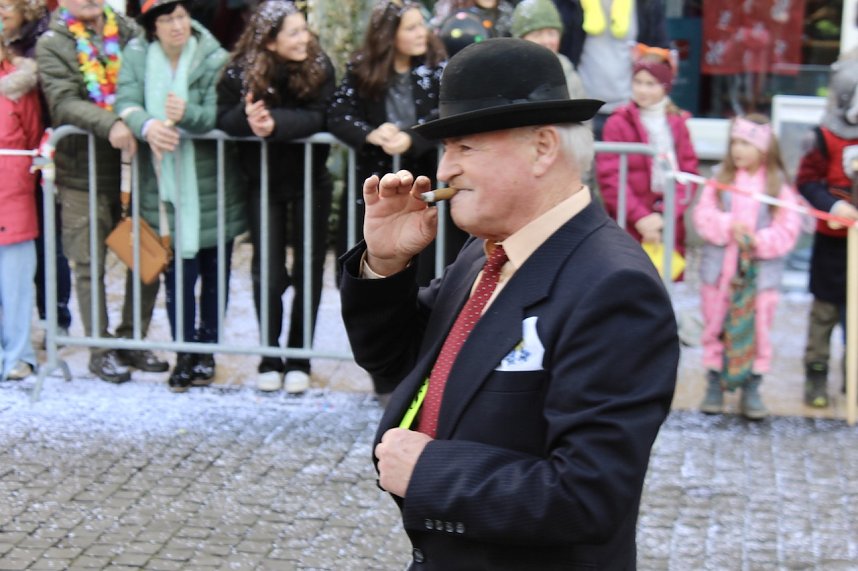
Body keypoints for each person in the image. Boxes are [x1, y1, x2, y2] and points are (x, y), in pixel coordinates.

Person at [339, 38, 678, 569]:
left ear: (543, 147)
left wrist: (430, 472)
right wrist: (385, 265)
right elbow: (398, 359)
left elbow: (588, 496)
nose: (444, 169)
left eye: (465, 148)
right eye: (445, 149)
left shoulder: (614, 287)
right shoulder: (487, 251)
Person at [36, 0, 169, 383]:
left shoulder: (129, 30)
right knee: (88, 260)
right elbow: (63, 102)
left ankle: (133, 339)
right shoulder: (52, 42)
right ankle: (100, 348)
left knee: (146, 255)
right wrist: (111, 124)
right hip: (83, 170)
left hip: (138, 168)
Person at [116, 0, 245, 392]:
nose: (177, 25)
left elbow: (215, 115)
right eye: (168, 19)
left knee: (214, 273)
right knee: (177, 276)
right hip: (163, 188)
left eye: (182, 16)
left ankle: (206, 350)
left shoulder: (213, 56)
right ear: (152, 27)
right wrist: (148, 124)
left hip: (212, 185)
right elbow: (126, 102)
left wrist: (187, 113)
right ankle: (184, 353)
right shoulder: (137, 55)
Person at [217, 0, 334, 394]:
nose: (305, 39)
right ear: (269, 41)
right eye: (295, 32)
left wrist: (275, 123)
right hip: (262, 182)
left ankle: (300, 357)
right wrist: (248, 121)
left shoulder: (319, 67)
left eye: (305, 29)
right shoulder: (240, 70)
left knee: (308, 271)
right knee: (266, 271)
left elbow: (323, 116)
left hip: (309, 180)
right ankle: (270, 356)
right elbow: (223, 115)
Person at [328, 0, 468, 294]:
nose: (422, 33)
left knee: (428, 276)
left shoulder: (437, 68)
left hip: (426, 185)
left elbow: (449, 110)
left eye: (422, 25)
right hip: (373, 188)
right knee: (367, 274)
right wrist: (371, 134)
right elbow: (338, 114)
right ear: (389, 35)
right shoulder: (361, 70)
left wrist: (412, 137)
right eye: (412, 27)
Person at [692, 114, 802, 420]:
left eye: (746, 143)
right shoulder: (720, 180)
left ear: (764, 148)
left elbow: (788, 228)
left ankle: (752, 386)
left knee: (758, 330)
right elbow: (703, 217)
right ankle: (714, 381)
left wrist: (758, 240)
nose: (738, 149)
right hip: (718, 277)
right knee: (715, 326)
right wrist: (728, 226)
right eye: (734, 142)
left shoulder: (777, 186)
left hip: (760, 279)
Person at [2, 0, 73, 343]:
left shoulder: (40, 43)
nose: (1, 13)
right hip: (12, 167)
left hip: (37, 157)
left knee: (47, 241)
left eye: (7, 6)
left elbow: (36, 117)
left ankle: (54, 316)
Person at [796, 54, 858, 407]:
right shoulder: (823, 137)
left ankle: (854, 380)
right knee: (824, 313)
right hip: (833, 244)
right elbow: (806, 181)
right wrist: (833, 206)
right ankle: (816, 377)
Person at [596, 44, 697, 257]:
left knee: (666, 281)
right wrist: (641, 218)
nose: (642, 89)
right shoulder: (618, 123)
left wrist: (666, 216)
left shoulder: (678, 123)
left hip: (668, 224)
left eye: (651, 84)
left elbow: (688, 174)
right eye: (638, 82)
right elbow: (610, 177)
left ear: (665, 86)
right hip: (630, 222)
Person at [0, 40, 43, 381]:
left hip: (12, 196)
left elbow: (31, 137)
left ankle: (18, 354)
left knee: (15, 285)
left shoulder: (17, 85)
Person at [569, 0, 668, 139]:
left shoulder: (647, 4)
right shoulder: (569, 3)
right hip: (582, 109)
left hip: (629, 110)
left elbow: (660, 52)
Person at [510, 0, 586, 100]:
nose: (546, 41)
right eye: (537, 34)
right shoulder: (510, 77)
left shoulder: (567, 69)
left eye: (551, 33)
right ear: (520, 39)